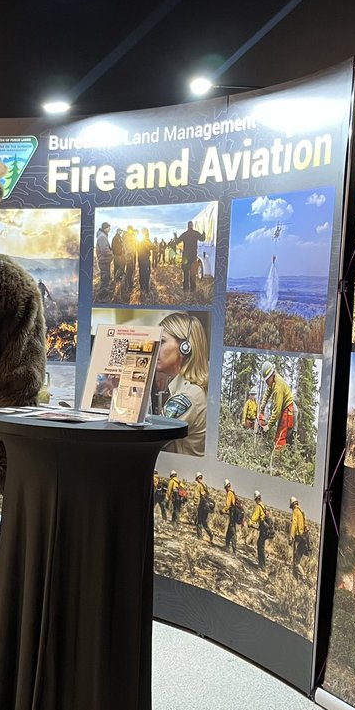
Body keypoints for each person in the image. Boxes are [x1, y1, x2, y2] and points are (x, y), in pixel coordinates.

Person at [155, 312, 209, 456]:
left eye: (162, 342)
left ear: (185, 348)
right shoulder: (187, 388)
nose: (155, 348)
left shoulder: (188, 395)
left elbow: (151, 438)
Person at [258, 360, 296, 451]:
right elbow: (268, 391)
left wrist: (268, 426)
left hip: (289, 410)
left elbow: (277, 411)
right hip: (287, 408)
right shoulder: (273, 380)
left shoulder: (278, 388)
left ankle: (278, 461)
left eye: (267, 380)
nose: (267, 382)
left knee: (281, 437)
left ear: (272, 375)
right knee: (281, 436)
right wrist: (263, 404)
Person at [176, 220, 205, 291]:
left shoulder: (184, 234)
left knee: (186, 273)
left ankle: (185, 289)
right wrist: (204, 233)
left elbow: (177, 241)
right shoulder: (196, 233)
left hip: (185, 257)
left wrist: (175, 236)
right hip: (193, 257)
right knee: (193, 274)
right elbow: (202, 239)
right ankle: (193, 289)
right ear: (192, 226)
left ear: (187, 226)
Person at [248, 489, 268, 570]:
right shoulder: (263, 505)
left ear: (257, 499)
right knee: (261, 545)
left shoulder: (259, 507)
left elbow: (255, 517)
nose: (255, 501)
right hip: (265, 529)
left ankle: (262, 566)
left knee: (260, 546)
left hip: (263, 530)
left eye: (255, 499)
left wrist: (250, 523)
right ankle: (263, 565)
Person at [289, 496, 308, 576]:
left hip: (299, 538)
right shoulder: (302, 512)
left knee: (296, 561)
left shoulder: (296, 512)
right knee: (297, 558)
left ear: (293, 505)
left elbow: (294, 524)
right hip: (304, 538)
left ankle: (302, 577)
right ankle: (298, 576)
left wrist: (291, 536)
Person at [193, 471, 214, 542]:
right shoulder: (205, 484)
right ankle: (210, 533)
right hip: (207, 506)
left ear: (197, 478)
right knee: (204, 521)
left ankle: (199, 537)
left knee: (199, 521)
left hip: (202, 505)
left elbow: (196, 496)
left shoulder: (198, 485)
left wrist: (195, 503)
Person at [222, 479, 239, 552]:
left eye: (225, 488)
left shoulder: (229, 493)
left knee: (232, 531)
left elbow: (228, 505)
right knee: (229, 531)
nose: (225, 489)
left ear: (226, 487)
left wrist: (223, 510)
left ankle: (234, 549)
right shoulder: (233, 492)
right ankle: (227, 546)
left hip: (232, 514)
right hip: (233, 514)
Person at [95, 221, 113, 289]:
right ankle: (103, 294)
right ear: (106, 228)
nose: (110, 229)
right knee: (105, 278)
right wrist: (112, 254)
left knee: (105, 277)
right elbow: (104, 250)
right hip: (104, 260)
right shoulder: (102, 236)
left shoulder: (102, 235)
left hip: (104, 260)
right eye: (109, 228)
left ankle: (104, 292)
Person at [137, 227, 154, 295]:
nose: (148, 233)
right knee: (146, 273)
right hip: (145, 259)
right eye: (147, 231)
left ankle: (142, 287)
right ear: (146, 232)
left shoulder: (139, 240)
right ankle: (146, 289)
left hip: (141, 259)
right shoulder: (146, 239)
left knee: (141, 272)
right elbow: (152, 246)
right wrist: (155, 246)